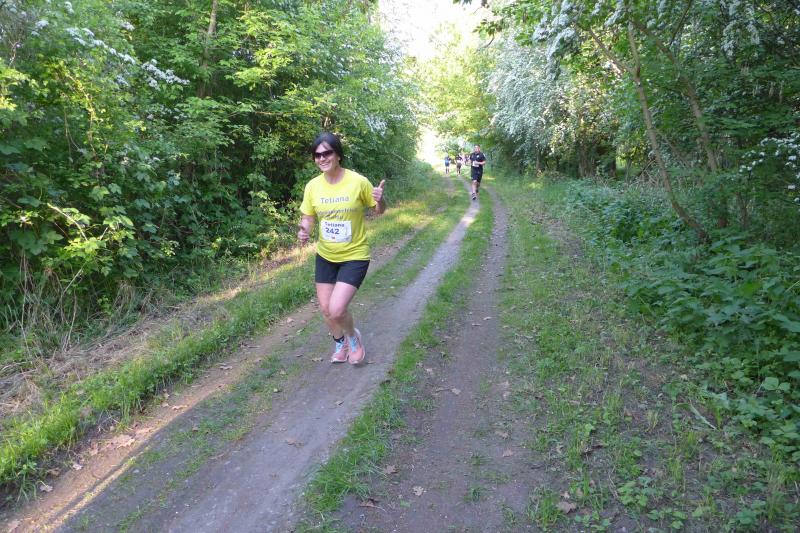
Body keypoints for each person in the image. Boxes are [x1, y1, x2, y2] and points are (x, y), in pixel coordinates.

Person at [297, 132, 386, 365]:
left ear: (338, 155)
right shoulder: (313, 186)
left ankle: (353, 338)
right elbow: (308, 216)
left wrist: (380, 200)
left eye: (327, 153)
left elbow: (379, 211)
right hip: (326, 255)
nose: (322, 158)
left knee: (337, 309)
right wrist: (304, 230)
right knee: (326, 309)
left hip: (354, 255)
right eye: (317, 155)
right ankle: (340, 343)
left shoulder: (358, 181)